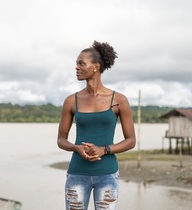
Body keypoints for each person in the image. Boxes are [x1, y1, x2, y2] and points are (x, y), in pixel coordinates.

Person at [57, 40, 136, 210]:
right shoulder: (71, 101)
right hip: (77, 173)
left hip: (107, 174)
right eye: (76, 64)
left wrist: (104, 149)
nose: (76, 68)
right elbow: (61, 139)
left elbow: (131, 141)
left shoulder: (119, 100)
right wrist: (77, 148)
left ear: (96, 67)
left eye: (81, 63)